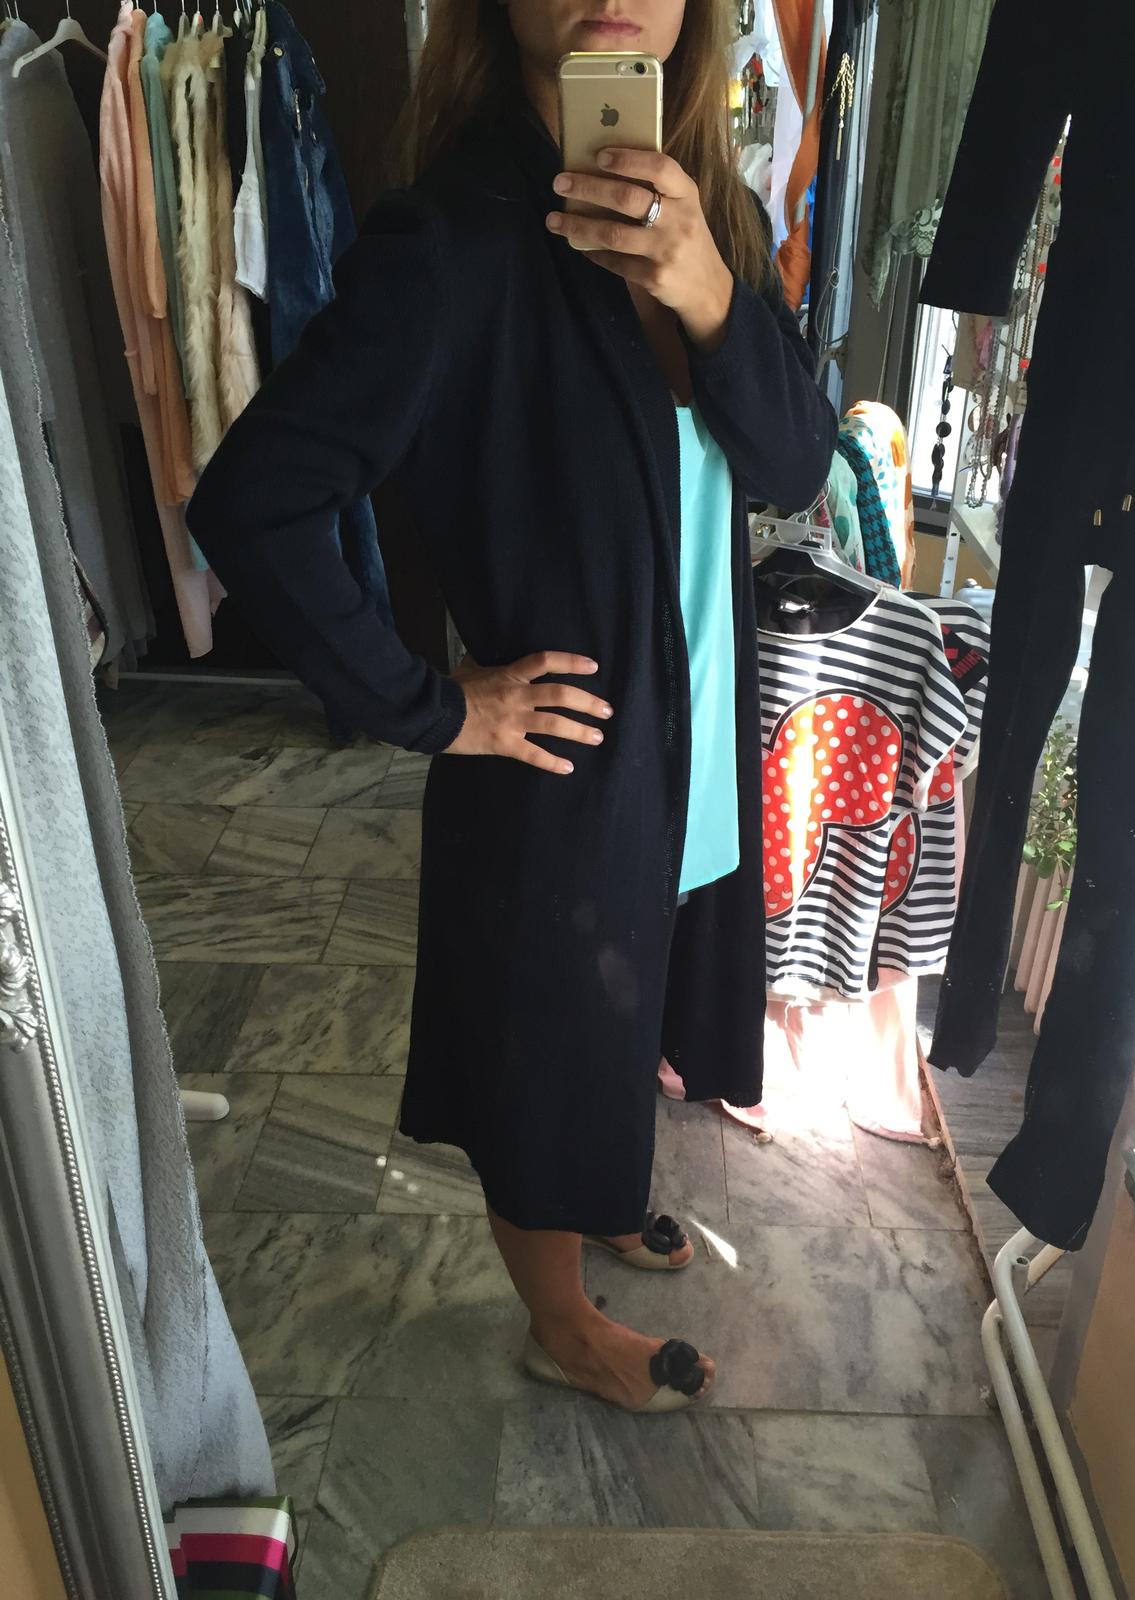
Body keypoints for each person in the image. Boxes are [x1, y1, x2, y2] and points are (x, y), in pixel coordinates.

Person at [188, 0, 836, 1413]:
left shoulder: (710, 210)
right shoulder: (458, 238)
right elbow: (255, 500)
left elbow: (796, 463)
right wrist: (431, 705)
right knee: (550, 1069)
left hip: (690, 743)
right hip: (566, 771)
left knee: (624, 1017)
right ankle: (561, 1321)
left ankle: (603, 1193)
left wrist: (708, 292)